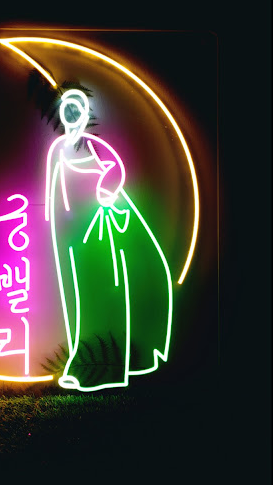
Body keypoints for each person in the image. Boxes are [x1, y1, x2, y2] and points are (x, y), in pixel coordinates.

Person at [45, 89, 173, 391]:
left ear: (84, 114)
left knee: (105, 294)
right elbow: (53, 193)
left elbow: (115, 169)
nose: (72, 115)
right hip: (71, 236)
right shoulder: (58, 149)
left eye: (77, 110)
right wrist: (57, 226)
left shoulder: (94, 145)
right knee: (77, 299)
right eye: (67, 110)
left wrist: (105, 192)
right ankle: (83, 361)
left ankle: (110, 367)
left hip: (97, 234)